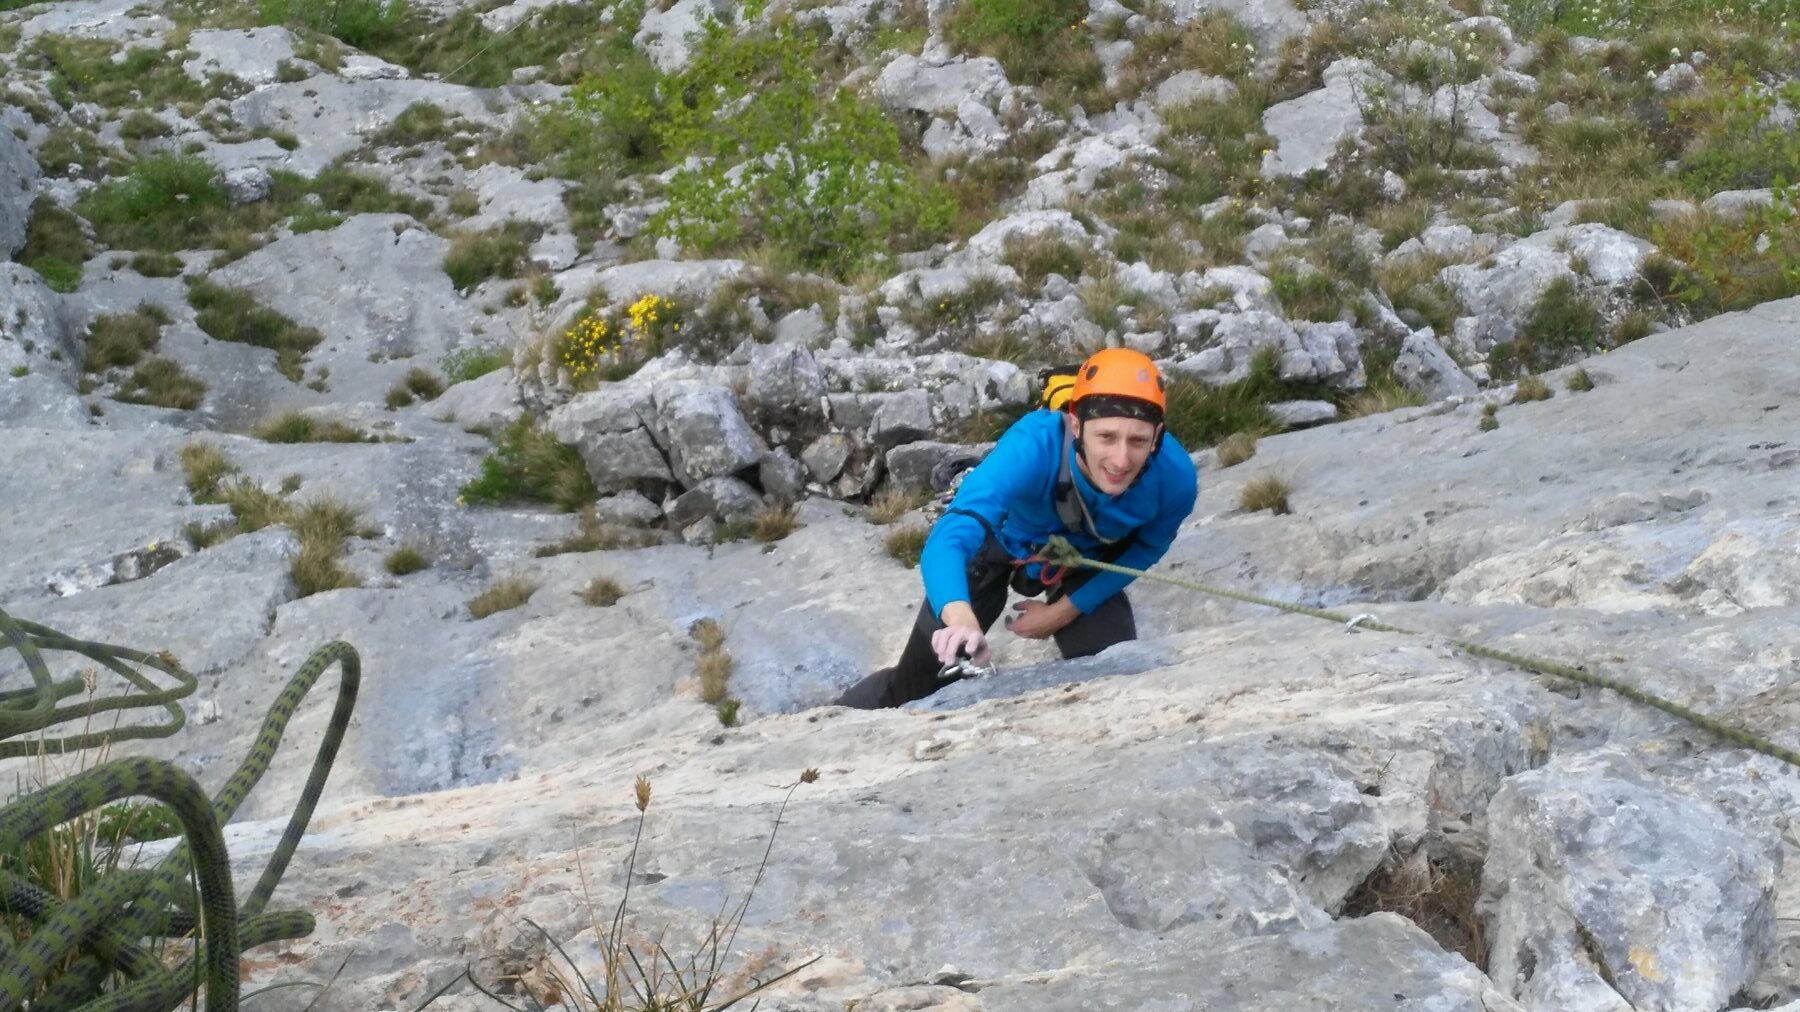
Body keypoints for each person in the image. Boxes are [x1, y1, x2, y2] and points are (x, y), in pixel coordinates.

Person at [837, 348, 1199, 709]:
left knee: (1112, 671)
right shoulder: (1032, 446)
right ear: (1076, 426)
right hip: (1001, 543)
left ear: (1157, 436)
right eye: (1106, 437)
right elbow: (950, 537)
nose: (1121, 460)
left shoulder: (1175, 480)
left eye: (1137, 441)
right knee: (915, 689)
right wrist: (961, 619)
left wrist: (1062, 613)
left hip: (1084, 560)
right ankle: (838, 717)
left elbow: (1146, 549)